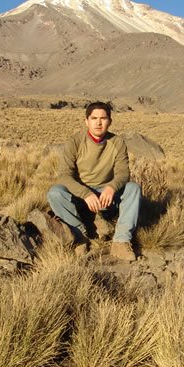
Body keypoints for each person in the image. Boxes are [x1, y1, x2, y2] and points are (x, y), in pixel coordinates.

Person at [47, 101, 141, 261]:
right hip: (81, 196)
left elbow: (123, 172)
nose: (98, 122)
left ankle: (120, 242)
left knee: (133, 189)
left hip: (107, 196)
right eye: (94, 118)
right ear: (86, 121)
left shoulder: (117, 142)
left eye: (103, 118)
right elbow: (64, 175)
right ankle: (79, 236)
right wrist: (85, 193)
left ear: (109, 121)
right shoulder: (75, 141)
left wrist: (112, 187)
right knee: (55, 193)